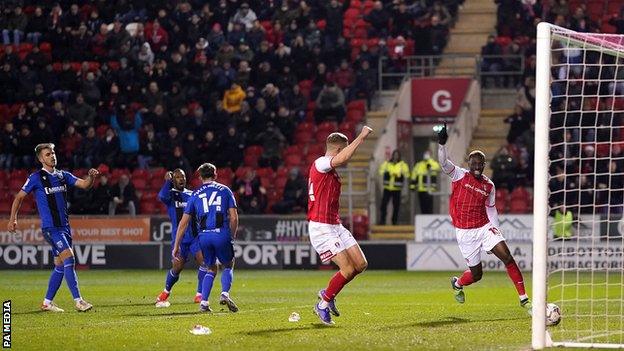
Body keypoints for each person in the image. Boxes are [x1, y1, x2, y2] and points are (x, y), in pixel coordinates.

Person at [436, 123, 531, 313]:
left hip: (484, 227)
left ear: (484, 165)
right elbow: (443, 163)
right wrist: (442, 144)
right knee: (477, 275)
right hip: (465, 232)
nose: (477, 167)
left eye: (480, 164)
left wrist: (495, 230)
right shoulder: (458, 175)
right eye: (474, 163)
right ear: (469, 164)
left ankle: (524, 299)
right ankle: (458, 283)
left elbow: (492, 208)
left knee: (508, 257)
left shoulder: (489, 185)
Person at [7, 143, 99, 312]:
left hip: (65, 227)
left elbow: (84, 185)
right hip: (51, 228)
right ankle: (78, 301)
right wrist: (13, 219)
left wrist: (91, 177)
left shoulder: (63, 175)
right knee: (69, 259)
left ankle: (47, 303)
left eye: (53, 153)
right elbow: (19, 198)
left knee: (59, 265)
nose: (52, 156)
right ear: (41, 159)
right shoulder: (36, 178)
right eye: (48, 154)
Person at [308, 126, 374, 325]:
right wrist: (361, 136)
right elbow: (344, 158)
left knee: (360, 265)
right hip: (321, 227)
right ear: (337, 149)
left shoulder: (330, 170)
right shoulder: (320, 163)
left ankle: (328, 293)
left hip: (335, 224)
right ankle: (323, 304)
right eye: (343, 150)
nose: (347, 155)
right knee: (346, 269)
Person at [173, 163, 239, 313]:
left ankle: (204, 302)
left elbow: (183, 223)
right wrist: (232, 235)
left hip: (204, 236)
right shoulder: (225, 190)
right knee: (228, 264)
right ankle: (224, 293)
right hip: (221, 233)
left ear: (200, 177)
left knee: (210, 268)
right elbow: (234, 218)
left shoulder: (195, 194)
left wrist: (176, 245)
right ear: (215, 175)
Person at [156, 169, 209, 305]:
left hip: (195, 237)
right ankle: (166, 291)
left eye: (183, 177)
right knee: (177, 267)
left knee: (204, 262)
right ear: (173, 179)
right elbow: (161, 196)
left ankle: (199, 294)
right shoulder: (170, 195)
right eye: (178, 177)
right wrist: (167, 182)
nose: (181, 179)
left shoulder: (192, 194)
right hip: (179, 238)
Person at [378, 150, 410, 224]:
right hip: (387, 188)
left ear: (399, 156)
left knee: (396, 206)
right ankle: (382, 221)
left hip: (397, 189)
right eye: (394, 155)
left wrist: (399, 173)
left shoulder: (402, 165)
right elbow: (381, 171)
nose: (395, 156)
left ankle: (394, 221)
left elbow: (407, 174)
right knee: (383, 205)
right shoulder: (387, 164)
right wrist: (389, 171)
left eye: (397, 155)